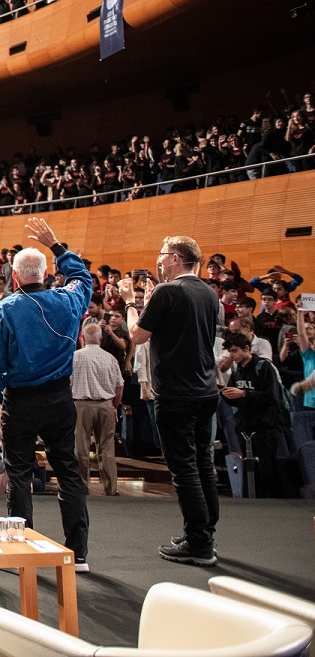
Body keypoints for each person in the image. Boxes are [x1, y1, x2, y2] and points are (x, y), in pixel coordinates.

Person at [0, 217, 91, 572]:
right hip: (60, 398)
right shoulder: (70, 302)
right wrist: (56, 245)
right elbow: (83, 279)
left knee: (19, 473)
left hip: (21, 402)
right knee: (68, 472)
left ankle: (20, 549)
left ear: (14, 277)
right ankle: (79, 553)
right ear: (45, 274)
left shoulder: (0, 312)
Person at [124, 235, 222, 566]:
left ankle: (199, 544)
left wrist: (129, 303)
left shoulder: (169, 291)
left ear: (177, 258)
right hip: (205, 390)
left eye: (162, 255)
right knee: (203, 462)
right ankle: (205, 531)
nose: (159, 260)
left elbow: (137, 335)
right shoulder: (209, 292)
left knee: (184, 468)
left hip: (177, 392)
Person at [220, 331, 291, 498]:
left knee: (267, 469)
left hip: (265, 427)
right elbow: (235, 399)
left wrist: (244, 394)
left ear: (247, 348)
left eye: (235, 351)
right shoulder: (237, 370)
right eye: (230, 351)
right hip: (245, 427)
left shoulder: (264, 367)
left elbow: (271, 396)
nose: (232, 355)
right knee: (250, 469)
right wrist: (227, 394)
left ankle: (272, 502)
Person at [72, 322, 124, 496]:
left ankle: (82, 487)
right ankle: (111, 488)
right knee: (107, 448)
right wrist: (114, 406)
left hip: (81, 405)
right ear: (101, 340)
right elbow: (119, 386)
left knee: (81, 448)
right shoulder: (110, 358)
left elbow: (66, 384)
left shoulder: (75, 357)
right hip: (106, 405)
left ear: (82, 338)